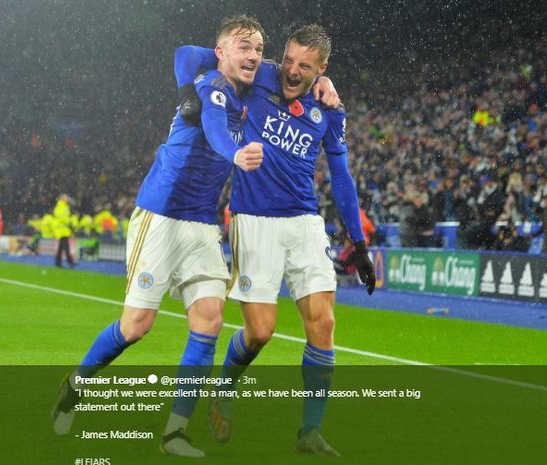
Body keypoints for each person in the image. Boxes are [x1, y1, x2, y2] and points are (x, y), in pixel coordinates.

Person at [51, 15, 268, 458]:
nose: (254, 56)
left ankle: (175, 432)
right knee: (136, 327)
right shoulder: (210, 83)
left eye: (260, 49)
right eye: (243, 47)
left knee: (208, 322)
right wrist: (237, 152)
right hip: (162, 216)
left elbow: (292, 74)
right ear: (221, 51)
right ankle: (76, 384)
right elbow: (211, 122)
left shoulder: (250, 87)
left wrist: (323, 83)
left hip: (203, 224)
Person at [177, 24, 375, 456]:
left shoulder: (329, 112)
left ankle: (310, 431)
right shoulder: (259, 75)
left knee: (323, 323)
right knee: (261, 332)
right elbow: (190, 54)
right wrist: (215, 66)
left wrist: (358, 244)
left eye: (305, 67)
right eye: (287, 60)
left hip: (304, 221)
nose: (291, 71)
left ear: (321, 68)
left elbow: (341, 177)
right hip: (253, 218)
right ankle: (225, 385)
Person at [53, 194, 77, 268]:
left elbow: (64, 217)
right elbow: (61, 217)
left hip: (64, 231)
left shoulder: (65, 207)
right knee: (66, 248)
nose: (67, 199)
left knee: (61, 248)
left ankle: (58, 262)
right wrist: (69, 222)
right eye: (66, 198)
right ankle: (70, 262)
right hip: (61, 231)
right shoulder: (60, 207)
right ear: (62, 199)